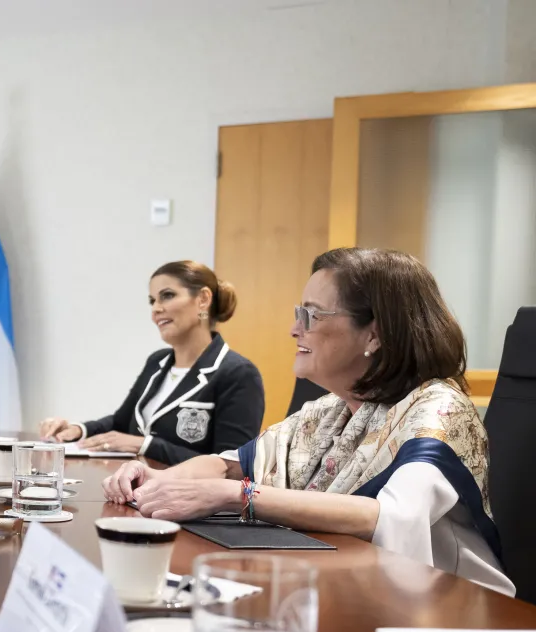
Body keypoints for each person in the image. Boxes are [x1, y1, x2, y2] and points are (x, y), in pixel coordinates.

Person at [103, 248, 513, 596]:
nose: (294, 328)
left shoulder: (438, 409)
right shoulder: (333, 408)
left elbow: (388, 517)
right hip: (352, 587)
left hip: (446, 611)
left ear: (375, 335)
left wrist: (234, 495)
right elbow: (230, 463)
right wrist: (160, 481)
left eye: (311, 316)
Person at [38, 261, 264, 464]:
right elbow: (121, 422)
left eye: (167, 296)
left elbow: (232, 467)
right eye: (152, 300)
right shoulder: (157, 361)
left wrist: (146, 445)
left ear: (203, 299)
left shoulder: (238, 373)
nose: (156, 308)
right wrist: (78, 429)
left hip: (190, 505)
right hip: (134, 492)